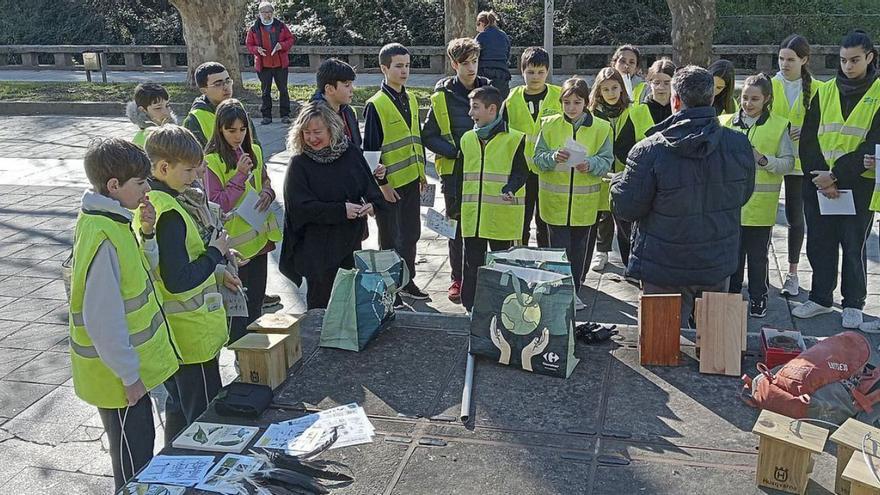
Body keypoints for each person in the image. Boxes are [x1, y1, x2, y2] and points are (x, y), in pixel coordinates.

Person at [69, 138, 179, 489]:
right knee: (134, 463)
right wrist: (129, 375)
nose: (147, 188)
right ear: (113, 186)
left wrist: (147, 233)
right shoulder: (103, 233)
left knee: (138, 453)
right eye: (140, 182)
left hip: (123, 374)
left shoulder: (113, 219)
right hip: (116, 379)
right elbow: (102, 319)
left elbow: (141, 271)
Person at [610, 65, 755, 327]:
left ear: (675, 101)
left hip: (662, 265)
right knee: (716, 350)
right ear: (711, 99)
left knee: (660, 351)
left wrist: (618, 183)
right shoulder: (739, 144)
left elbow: (627, 208)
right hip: (715, 260)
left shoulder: (648, 150)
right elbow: (743, 195)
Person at [135, 125, 238, 443]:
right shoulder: (171, 213)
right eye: (189, 170)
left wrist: (218, 272)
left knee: (179, 407)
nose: (195, 177)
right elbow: (178, 280)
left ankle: (173, 469)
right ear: (163, 168)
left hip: (176, 335)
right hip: (191, 335)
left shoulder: (155, 201)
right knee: (205, 416)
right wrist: (215, 254)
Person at [796, 30, 880, 330]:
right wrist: (823, 177)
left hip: (858, 184)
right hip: (820, 182)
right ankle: (820, 297)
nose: (848, 66)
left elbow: (874, 143)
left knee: (853, 245)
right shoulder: (826, 90)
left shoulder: (879, 93)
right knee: (820, 243)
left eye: (855, 60)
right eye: (843, 60)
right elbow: (808, 139)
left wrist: (836, 175)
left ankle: (854, 303)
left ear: (870, 57)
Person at [281, 102, 384, 309]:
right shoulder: (299, 163)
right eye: (306, 133)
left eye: (317, 132)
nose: (312, 138)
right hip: (317, 249)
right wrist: (341, 211)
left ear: (332, 129)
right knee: (320, 306)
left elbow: (372, 192)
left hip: (349, 244)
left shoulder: (351, 154)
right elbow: (299, 208)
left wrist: (372, 206)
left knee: (348, 305)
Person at [533, 77, 613, 310]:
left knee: (579, 252)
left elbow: (606, 161)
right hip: (554, 202)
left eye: (576, 102)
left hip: (584, 203)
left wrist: (590, 164)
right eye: (566, 102)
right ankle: (558, 291)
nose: (571, 108)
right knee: (558, 250)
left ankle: (574, 291)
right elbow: (538, 158)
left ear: (586, 103)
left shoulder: (601, 127)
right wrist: (552, 157)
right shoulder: (549, 124)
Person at [204, 99, 281, 342]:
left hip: (259, 241)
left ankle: (257, 352)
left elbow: (266, 180)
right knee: (238, 307)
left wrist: (268, 193)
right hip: (233, 250)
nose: (238, 136)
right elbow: (216, 203)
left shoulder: (254, 151)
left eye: (242, 129)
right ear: (220, 130)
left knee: (257, 301)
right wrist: (239, 176)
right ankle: (240, 353)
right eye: (231, 130)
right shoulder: (212, 161)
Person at [720, 74, 795, 317]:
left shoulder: (779, 125)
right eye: (744, 98)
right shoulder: (725, 123)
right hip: (730, 205)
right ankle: (731, 295)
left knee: (758, 257)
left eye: (755, 99)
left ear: (767, 99)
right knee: (731, 254)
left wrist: (762, 160)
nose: (748, 104)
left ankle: (758, 297)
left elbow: (788, 164)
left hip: (761, 206)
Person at [422, 37, 489, 304]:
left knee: (482, 225)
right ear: (454, 64)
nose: (471, 68)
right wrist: (457, 151)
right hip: (453, 172)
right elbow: (429, 135)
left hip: (486, 172)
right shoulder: (441, 96)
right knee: (455, 228)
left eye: (474, 61)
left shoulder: (489, 91)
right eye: (465, 63)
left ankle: (480, 276)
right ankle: (457, 278)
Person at [363, 43, 430, 302]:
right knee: (390, 239)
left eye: (407, 65)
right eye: (398, 66)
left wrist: (422, 172)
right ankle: (390, 289)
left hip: (412, 180)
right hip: (389, 186)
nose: (404, 71)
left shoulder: (411, 98)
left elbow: (416, 138)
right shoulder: (375, 104)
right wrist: (382, 185)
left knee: (411, 234)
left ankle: (407, 280)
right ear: (384, 68)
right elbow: (371, 151)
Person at [459, 86, 528, 311]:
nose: (471, 113)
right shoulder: (467, 138)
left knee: (501, 266)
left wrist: (512, 187)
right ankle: (471, 306)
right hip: (473, 217)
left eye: (475, 108)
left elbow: (521, 172)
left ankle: (500, 307)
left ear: (492, 109)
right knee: (472, 265)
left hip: (501, 216)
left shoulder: (515, 139)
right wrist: (451, 206)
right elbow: (457, 176)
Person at [772, 34, 824, 297]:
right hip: (770, 161)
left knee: (796, 218)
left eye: (790, 59)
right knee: (759, 217)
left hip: (801, 164)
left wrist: (807, 130)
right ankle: (754, 271)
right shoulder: (769, 85)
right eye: (781, 58)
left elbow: (826, 126)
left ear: (804, 60)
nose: (784, 64)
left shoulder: (819, 90)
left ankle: (792, 274)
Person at [504, 47, 561, 248]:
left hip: (549, 169)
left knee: (545, 220)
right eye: (530, 72)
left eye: (540, 72)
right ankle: (521, 258)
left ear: (547, 72)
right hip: (521, 171)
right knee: (521, 219)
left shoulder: (560, 96)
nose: (535, 77)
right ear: (522, 71)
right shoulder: (511, 99)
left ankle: (546, 260)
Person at [587, 67, 636, 273]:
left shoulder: (632, 110)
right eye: (605, 89)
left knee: (625, 219)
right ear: (599, 92)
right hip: (601, 172)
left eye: (615, 88)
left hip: (626, 171)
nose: (611, 93)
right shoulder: (592, 114)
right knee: (603, 216)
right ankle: (602, 251)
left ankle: (629, 261)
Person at [182, 61, 260, 148]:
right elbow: (194, 158)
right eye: (218, 84)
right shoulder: (194, 119)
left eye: (228, 81)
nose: (226, 87)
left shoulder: (238, 108)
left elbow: (255, 145)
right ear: (204, 90)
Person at [245, 1, 295, 125]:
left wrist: (281, 46)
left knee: (283, 90)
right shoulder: (254, 28)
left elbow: (290, 39)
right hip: (263, 65)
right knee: (265, 91)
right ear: (259, 14)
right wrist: (257, 50)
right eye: (264, 12)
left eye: (269, 12)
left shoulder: (281, 25)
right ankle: (267, 116)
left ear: (272, 13)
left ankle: (285, 115)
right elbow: (249, 44)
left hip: (280, 64)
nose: (267, 15)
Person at [312, 58, 362, 148]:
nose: (352, 89)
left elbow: (357, 145)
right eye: (347, 85)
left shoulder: (348, 111)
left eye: (351, 84)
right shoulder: (314, 117)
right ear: (330, 89)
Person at [628, 58, 677, 140]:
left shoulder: (680, 110)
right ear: (649, 83)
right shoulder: (636, 113)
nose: (661, 87)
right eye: (657, 83)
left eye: (667, 83)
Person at [475, 10, 511, 100]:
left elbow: (475, 56)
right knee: (500, 104)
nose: (477, 28)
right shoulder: (504, 36)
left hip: (484, 73)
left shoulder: (481, 36)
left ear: (482, 23)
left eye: (477, 24)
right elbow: (507, 55)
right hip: (502, 74)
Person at [127, 83, 176, 148]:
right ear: (143, 110)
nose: (166, 112)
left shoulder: (174, 132)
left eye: (167, 105)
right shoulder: (142, 141)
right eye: (158, 108)